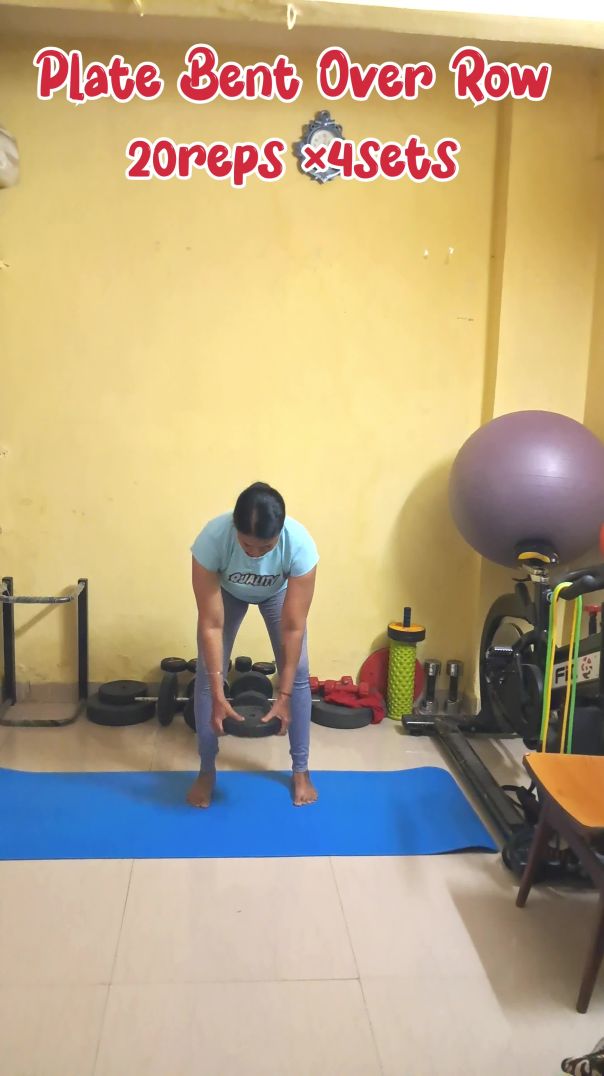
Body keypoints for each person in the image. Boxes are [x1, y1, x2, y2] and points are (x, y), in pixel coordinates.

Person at [187, 482, 319, 808]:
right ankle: (206, 771)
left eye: (266, 548)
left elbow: (293, 627)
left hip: (277, 594)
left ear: (280, 534)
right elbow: (211, 624)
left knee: (298, 671)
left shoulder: (299, 546)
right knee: (207, 671)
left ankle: (301, 770)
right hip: (228, 593)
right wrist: (218, 693)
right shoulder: (212, 541)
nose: (255, 554)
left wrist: (283, 696)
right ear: (235, 527)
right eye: (247, 545)